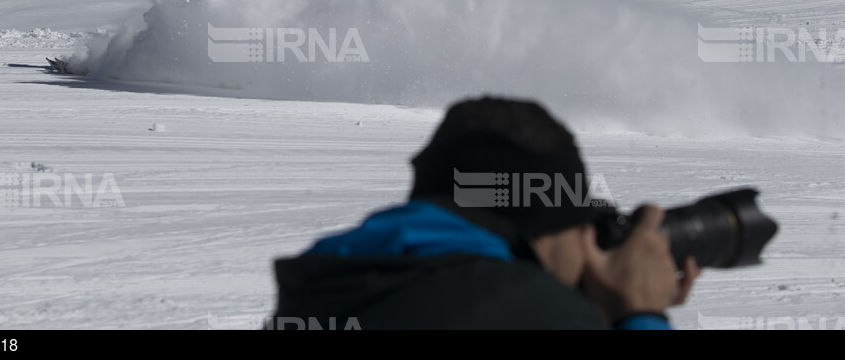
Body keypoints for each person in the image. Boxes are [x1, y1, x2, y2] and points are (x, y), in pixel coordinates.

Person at [271, 97, 702, 330]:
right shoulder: (521, 307)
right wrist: (638, 311)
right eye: (583, 223)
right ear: (549, 225)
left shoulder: (328, 280)